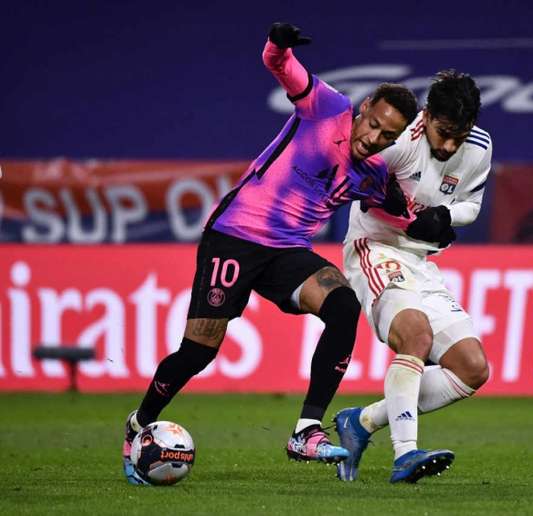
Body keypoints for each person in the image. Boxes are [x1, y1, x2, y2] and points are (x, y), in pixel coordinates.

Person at [122, 22, 418, 484]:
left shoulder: (375, 174)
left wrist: (435, 222)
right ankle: (139, 425)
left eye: (387, 136)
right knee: (199, 352)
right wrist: (278, 42)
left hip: (287, 251)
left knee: (343, 306)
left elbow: (406, 219)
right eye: (374, 123)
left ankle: (306, 430)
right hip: (236, 235)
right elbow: (279, 65)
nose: (374, 137)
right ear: (363, 110)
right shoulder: (327, 108)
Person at [333, 70, 492, 483]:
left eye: (461, 134)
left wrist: (445, 215)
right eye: (444, 133)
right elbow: (347, 179)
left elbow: (472, 204)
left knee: (472, 368)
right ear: (427, 116)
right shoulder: (400, 141)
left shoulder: (478, 147)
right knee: (416, 337)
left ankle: (361, 422)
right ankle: (406, 454)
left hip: (422, 262)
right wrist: (385, 202)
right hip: (376, 248)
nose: (451, 145)